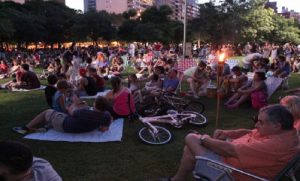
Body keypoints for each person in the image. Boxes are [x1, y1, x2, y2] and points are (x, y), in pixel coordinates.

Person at [161, 105, 300, 181]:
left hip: (233, 173)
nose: (257, 125)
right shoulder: (283, 132)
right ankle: (178, 179)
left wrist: (205, 139)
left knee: (191, 138)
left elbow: (229, 150)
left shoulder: (275, 145)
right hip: (234, 160)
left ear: (277, 125)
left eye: (261, 122)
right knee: (190, 149)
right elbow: (251, 132)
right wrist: (229, 134)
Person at [12, 96, 112, 134]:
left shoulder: (84, 113)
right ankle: (47, 126)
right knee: (57, 115)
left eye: (94, 102)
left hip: (66, 126)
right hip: (79, 126)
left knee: (48, 112)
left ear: (96, 105)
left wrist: (75, 103)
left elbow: (70, 111)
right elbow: (104, 129)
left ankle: (25, 128)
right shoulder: (106, 115)